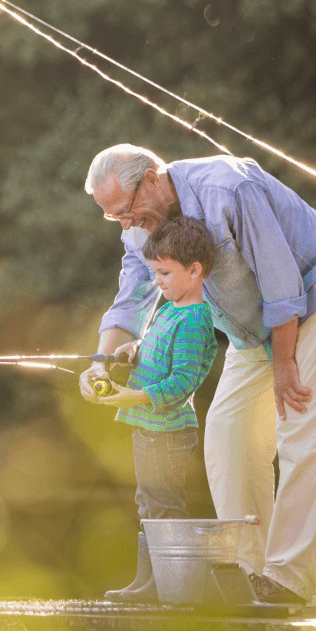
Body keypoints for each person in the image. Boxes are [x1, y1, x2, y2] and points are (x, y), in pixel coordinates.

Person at [80, 144, 316, 604]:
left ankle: (288, 578)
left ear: (153, 177)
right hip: (250, 326)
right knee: (228, 432)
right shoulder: (139, 226)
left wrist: (285, 363)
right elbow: (133, 290)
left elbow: (281, 281)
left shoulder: (228, 189)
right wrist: (100, 362)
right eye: (116, 219)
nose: (127, 224)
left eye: (128, 211)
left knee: (301, 430)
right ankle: (251, 571)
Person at [98, 216, 218, 603]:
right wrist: (131, 350)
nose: (159, 281)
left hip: (168, 433)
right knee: (148, 502)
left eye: (165, 273)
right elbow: (152, 346)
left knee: (165, 505)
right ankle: (147, 583)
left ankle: (171, 587)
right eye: (154, 272)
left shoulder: (195, 319)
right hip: (148, 429)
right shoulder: (169, 309)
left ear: (195, 270)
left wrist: (136, 397)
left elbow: (183, 382)